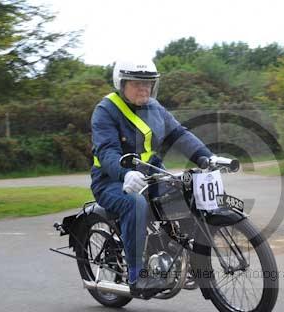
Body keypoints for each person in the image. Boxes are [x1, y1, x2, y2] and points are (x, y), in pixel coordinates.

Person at [90, 57, 213, 298]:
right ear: (122, 84)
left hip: (150, 173)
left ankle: (182, 254)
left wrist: (206, 158)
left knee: (187, 191)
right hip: (112, 180)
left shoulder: (155, 109)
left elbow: (179, 134)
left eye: (148, 84)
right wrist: (125, 173)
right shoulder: (106, 110)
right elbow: (106, 151)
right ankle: (138, 275)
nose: (143, 88)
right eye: (136, 83)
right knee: (136, 204)